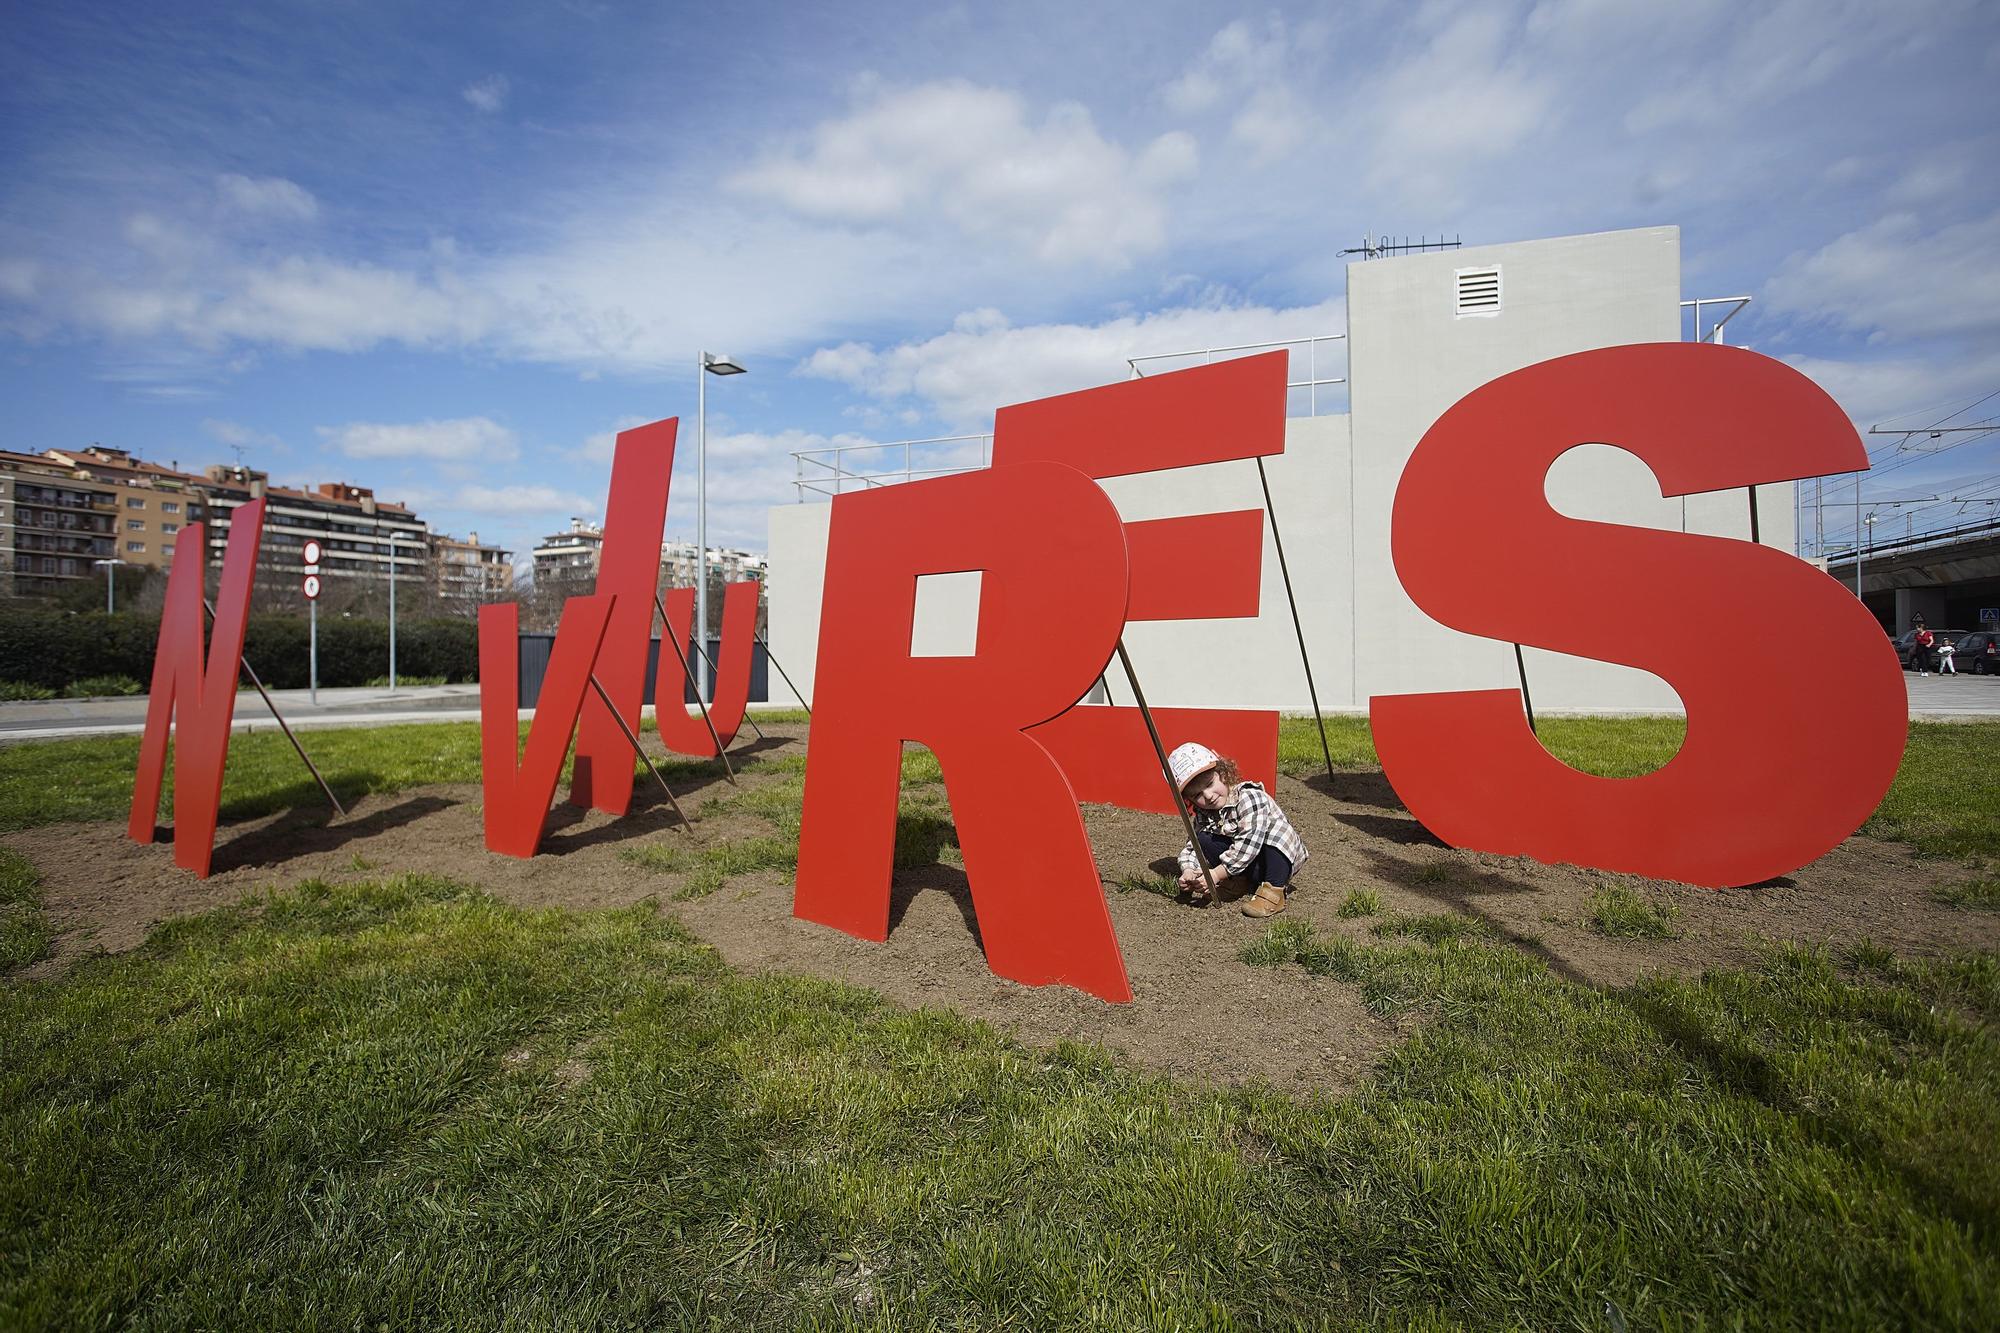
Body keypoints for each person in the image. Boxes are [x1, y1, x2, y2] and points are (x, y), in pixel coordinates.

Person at [1168, 741, 1309, 918]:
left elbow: (1249, 843)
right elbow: (1193, 847)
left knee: (1276, 834)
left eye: (1210, 784)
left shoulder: (1249, 797)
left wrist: (1216, 874)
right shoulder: (1204, 814)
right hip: (1247, 866)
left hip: (1274, 861)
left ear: (1222, 774)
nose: (1208, 796)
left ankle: (1274, 891)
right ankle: (1238, 883)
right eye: (1197, 795)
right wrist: (1189, 870)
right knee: (1203, 838)